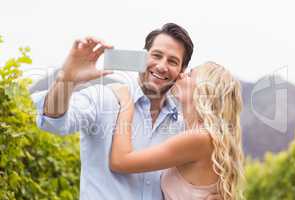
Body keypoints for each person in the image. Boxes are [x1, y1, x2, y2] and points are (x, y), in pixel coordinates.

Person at [32, 23, 222, 200]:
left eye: (172, 61)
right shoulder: (105, 99)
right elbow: (53, 121)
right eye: (156, 55)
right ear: (143, 56)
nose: (162, 66)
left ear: (182, 70)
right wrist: (68, 78)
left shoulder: (183, 124)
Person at [109, 62, 244, 200]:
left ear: (204, 90)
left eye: (190, 74)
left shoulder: (199, 138)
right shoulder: (203, 137)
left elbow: (120, 161)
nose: (181, 74)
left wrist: (126, 103)